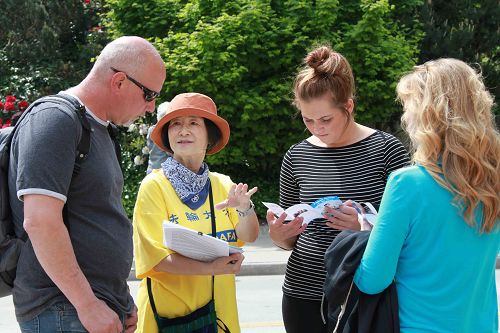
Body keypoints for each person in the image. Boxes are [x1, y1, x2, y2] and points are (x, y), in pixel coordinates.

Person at [8, 36, 166, 333]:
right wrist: (87, 305)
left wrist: (120, 299)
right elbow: (41, 222)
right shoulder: (55, 119)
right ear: (119, 81)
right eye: (149, 94)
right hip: (61, 309)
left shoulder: (98, 128)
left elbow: (96, 217)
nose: (151, 107)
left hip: (89, 307)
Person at [265, 45, 410, 333]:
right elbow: (289, 237)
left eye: (326, 119)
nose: (316, 128)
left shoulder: (387, 150)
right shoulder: (296, 156)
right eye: (307, 120)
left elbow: (410, 231)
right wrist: (279, 236)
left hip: (362, 293)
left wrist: (364, 226)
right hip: (301, 292)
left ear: (349, 106)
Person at [354, 58, 500, 332]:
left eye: (408, 107)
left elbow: (372, 280)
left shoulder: (406, 184)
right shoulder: (493, 181)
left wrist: (366, 235)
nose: (404, 117)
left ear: (427, 114)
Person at [133, 92, 260, 333]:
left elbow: (249, 235)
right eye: (176, 124)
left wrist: (244, 208)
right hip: (168, 320)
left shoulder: (223, 184)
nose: (183, 131)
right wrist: (212, 268)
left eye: (193, 123)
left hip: (220, 318)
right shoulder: (154, 186)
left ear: (209, 136)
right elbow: (156, 260)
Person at [146, 101, 170, 174]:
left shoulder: (151, 129)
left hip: (151, 168)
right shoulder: (165, 131)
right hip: (163, 171)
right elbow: (170, 152)